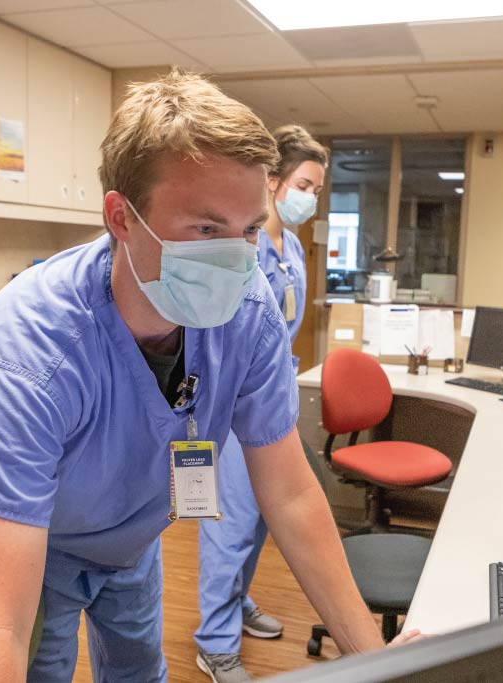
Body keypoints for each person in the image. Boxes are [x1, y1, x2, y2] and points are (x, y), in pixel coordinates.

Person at [0, 72, 420, 683]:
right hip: (40, 546)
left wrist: (378, 659)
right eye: (206, 230)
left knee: (140, 671)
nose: (237, 259)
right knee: (39, 668)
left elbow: (291, 495)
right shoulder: (28, 350)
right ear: (121, 218)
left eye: (247, 230)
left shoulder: (249, 308)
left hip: (135, 541)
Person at [195, 125, 327, 682]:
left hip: (270, 399)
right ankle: (215, 640)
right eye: (303, 184)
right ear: (272, 182)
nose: (309, 198)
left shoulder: (290, 246)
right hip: (226, 407)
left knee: (262, 522)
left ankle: (236, 600)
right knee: (230, 521)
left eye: (318, 189)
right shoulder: (239, 250)